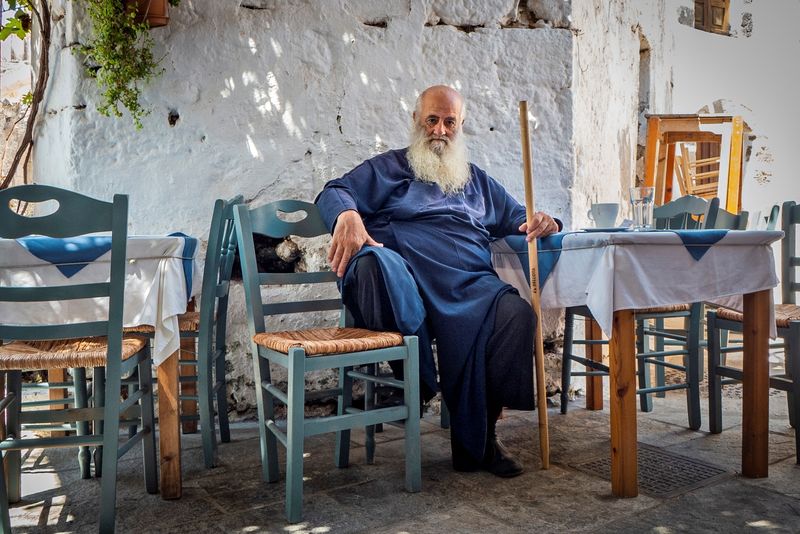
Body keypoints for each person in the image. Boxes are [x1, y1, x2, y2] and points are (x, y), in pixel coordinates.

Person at [315, 85, 560, 477]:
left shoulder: (477, 181)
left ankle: (481, 438)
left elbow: (520, 218)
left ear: (461, 125)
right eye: (432, 119)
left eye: (449, 122)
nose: (440, 130)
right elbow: (336, 190)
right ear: (416, 120)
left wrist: (547, 221)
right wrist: (347, 215)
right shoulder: (390, 168)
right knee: (375, 267)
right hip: (414, 283)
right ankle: (419, 383)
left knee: (517, 316)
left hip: (474, 285)